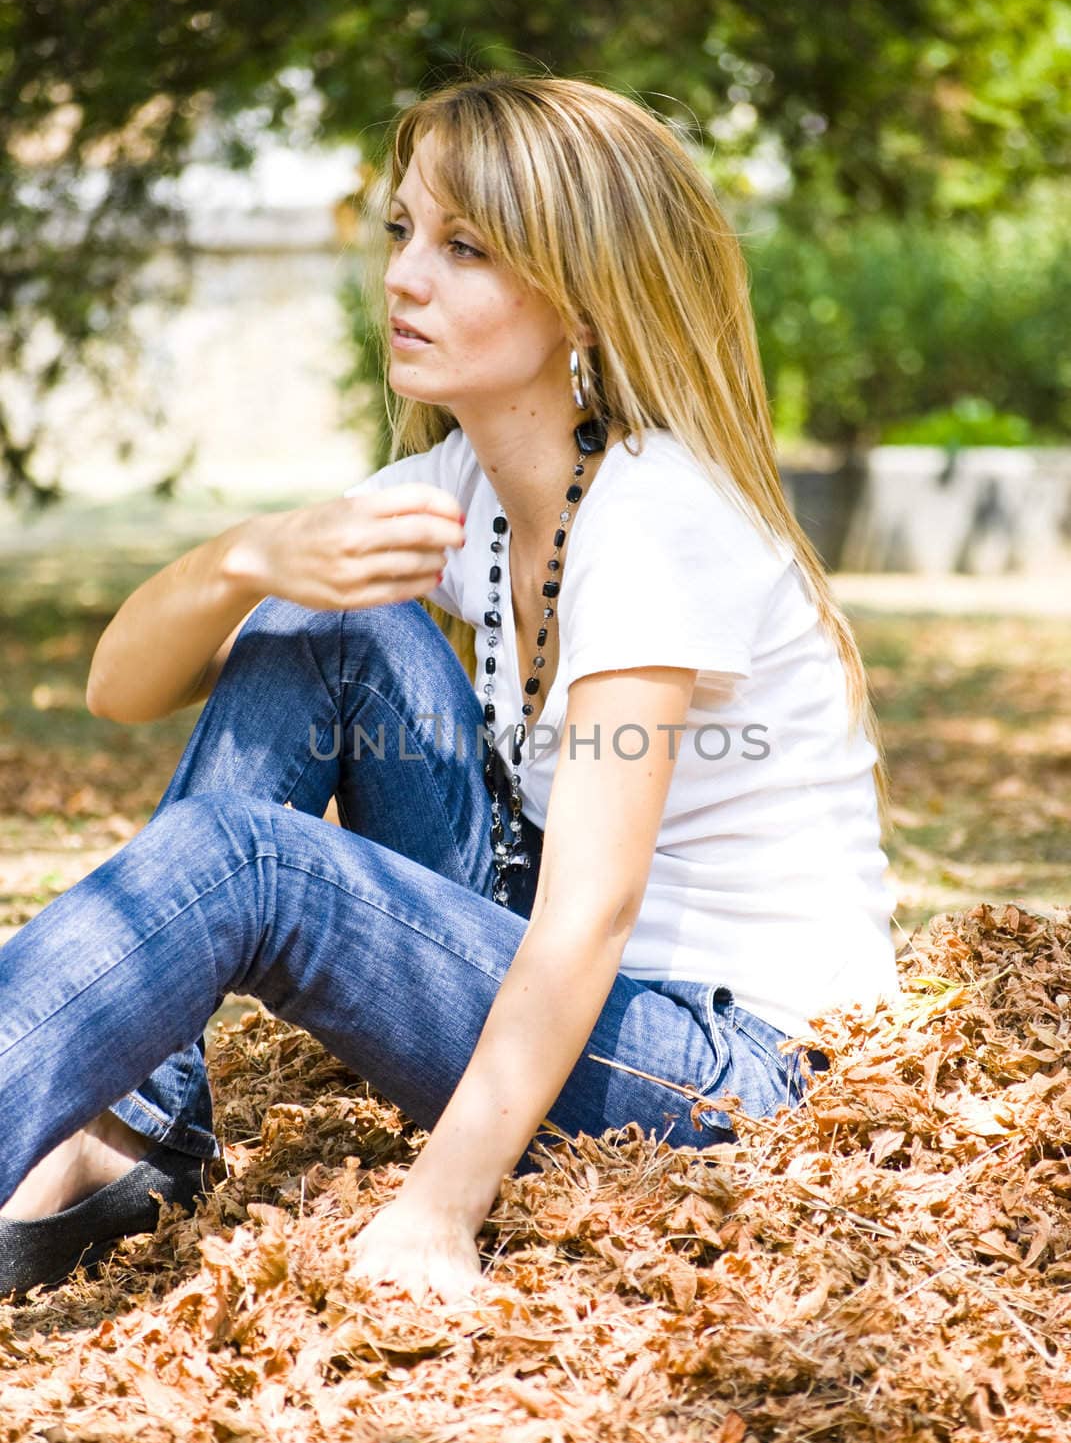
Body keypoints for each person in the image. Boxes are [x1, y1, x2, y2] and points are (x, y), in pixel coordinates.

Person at [0, 72, 899, 1304]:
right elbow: (116, 688)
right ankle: (137, 1127)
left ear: (582, 300)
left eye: (464, 247)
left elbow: (593, 911)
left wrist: (440, 1206)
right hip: (556, 963)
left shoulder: (654, 519)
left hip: (730, 1058)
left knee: (252, 862)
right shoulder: (456, 492)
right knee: (321, 619)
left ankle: (106, 1126)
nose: (405, 276)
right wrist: (245, 556)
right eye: (403, 230)